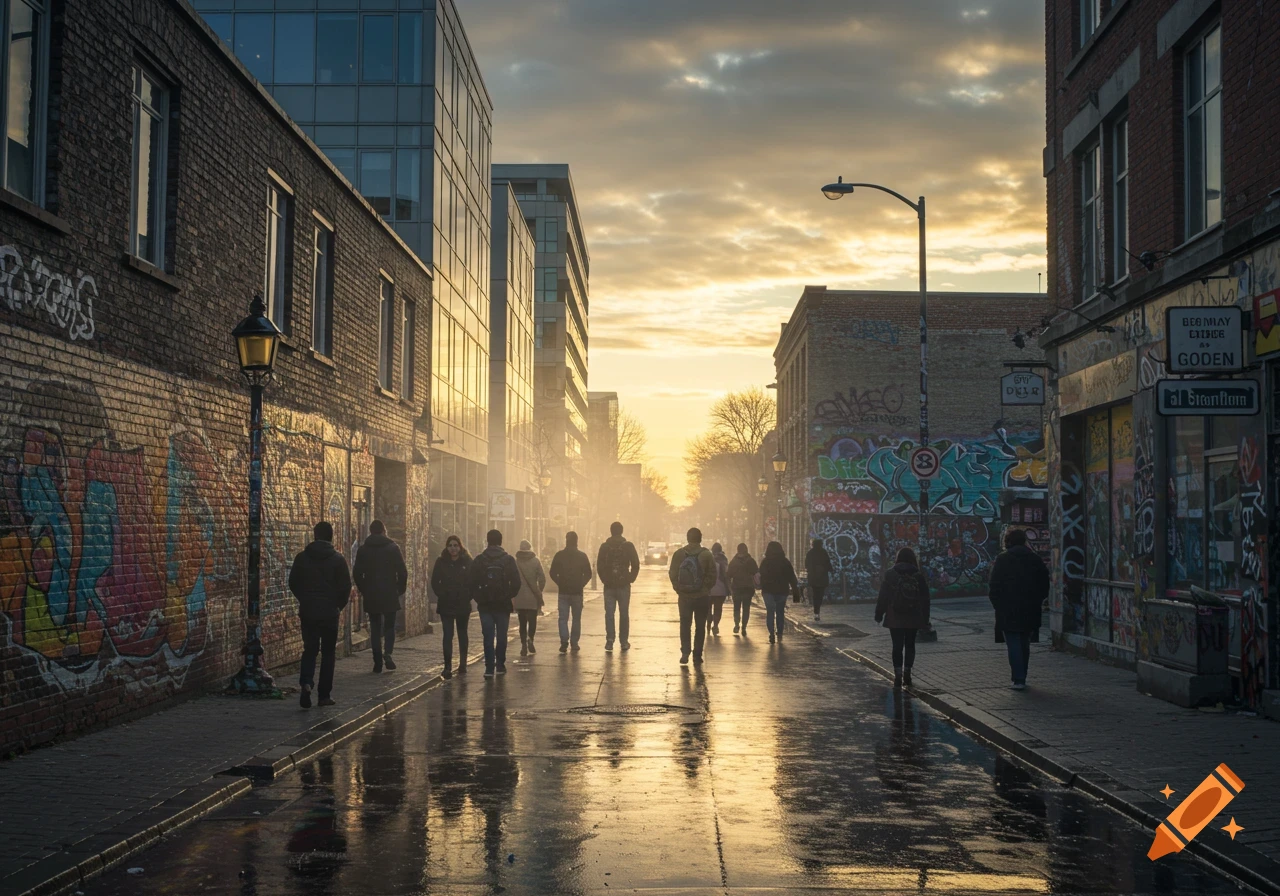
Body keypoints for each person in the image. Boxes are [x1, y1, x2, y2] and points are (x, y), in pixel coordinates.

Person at [289, 521, 351, 708]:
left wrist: (305, 599)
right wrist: (337, 606)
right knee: (328, 653)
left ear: (314, 536)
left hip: (308, 612)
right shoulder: (338, 560)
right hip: (329, 614)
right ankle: (324, 696)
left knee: (309, 649)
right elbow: (345, 588)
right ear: (331, 537)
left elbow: (293, 582)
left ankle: (306, 683)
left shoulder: (302, 558)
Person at [988, 528, 1050, 690]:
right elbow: (1044, 584)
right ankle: (1023, 675)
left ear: (1008, 541)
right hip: (1030, 608)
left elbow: (994, 586)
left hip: (1008, 609)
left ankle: (1018, 678)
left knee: (1013, 642)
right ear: (1024, 540)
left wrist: (999, 605)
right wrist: (1037, 601)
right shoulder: (1035, 559)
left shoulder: (1003, 559)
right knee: (1024, 642)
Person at [352, 519, 408, 674]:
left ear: (371, 531)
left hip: (372, 593)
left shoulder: (363, 549)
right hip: (390, 592)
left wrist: (364, 588)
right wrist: (399, 590)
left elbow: (357, 573)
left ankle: (377, 661)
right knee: (390, 626)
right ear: (384, 531)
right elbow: (402, 572)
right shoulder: (392, 548)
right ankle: (387, 653)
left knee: (375, 627)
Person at [874, 547, 931, 689]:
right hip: (914, 615)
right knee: (910, 645)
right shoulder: (918, 575)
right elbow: (925, 599)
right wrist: (925, 618)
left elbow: (883, 597)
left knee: (897, 646)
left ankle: (897, 675)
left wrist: (879, 614)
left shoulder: (890, 574)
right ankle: (908, 674)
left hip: (895, 616)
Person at [470, 529, 522, 678]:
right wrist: (508, 595)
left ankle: (488, 668)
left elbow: (471, 581)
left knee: (487, 636)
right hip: (503, 605)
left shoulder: (479, 559)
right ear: (501, 541)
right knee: (501, 636)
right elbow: (517, 583)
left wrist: (479, 597)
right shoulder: (508, 560)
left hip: (485, 605)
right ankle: (500, 664)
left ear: (487, 541)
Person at [668, 527, 716, 665]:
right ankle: (697, 654)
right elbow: (713, 575)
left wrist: (679, 589)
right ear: (700, 538)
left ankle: (685, 652)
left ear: (687, 538)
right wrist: (705, 588)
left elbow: (672, 573)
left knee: (685, 624)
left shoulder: (679, 554)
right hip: (702, 597)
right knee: (700, 626)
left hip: (684, 597)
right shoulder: (707, 555)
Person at [431, 535, 472, 680]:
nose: (453, 548)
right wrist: (442, 594)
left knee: (462, 634)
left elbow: (473, 581)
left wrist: (467, 596)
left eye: (455, 545)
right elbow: (435, 581)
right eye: (450, 545)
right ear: (446, 547)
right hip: (446, 604)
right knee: (448, 635)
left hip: (462, 604)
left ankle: (463, 664)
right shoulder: (441, 562)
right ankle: (447, 666)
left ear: (460, 547)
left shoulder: (467, 561)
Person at [596, 521, 641, 651]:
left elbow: (599, 565)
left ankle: (610, 640)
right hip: (623, 585)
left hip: (609, 585)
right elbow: (636, 564)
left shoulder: (604, 546)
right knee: (624, 613)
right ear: (621, 531)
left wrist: (605, 579)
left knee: (609, 613)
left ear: (611, 531)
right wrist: (630, 578)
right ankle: (624, 641)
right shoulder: (628, 546)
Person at [549, 531, 592, 653]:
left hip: (563, 592)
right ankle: (574, 642)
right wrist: (581, 584)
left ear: (566, 541)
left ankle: (564, 641)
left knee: (563, 618)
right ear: (577, 541)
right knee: (576, 618)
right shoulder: (582, 556)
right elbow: (588, 573)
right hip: (577, 592)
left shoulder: (559, 555)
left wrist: (560, 582)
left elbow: (552, 572)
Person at [758, 541, 801, 644]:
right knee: (780, 612)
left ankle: (771, 633)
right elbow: (792, 577)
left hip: (768, 591)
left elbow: (761, 576)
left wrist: (762, 585)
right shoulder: (785, 561)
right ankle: (780, 632)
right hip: (782, 590)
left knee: (770, 611)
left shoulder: (765, 562)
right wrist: (796, 591)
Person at [513, 539, 546, 655]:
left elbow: (512, 579)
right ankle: (530, 638)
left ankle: (523, 644)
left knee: (522, 622)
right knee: (532, 621)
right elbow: (542, 578)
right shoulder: (536, 561)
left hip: (519, 596)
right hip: (532, 596)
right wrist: (538, 590)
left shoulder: (516, 562)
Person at [727, 543, 758, 634]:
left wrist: (729, 587)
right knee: (746, 608)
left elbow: (729, 574)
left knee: (736, 607)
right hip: (748, 588)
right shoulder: (751, 560)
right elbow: (756, 572)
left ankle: (737, 624)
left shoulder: (734, 561)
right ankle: (744, 627)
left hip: (736, 587)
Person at [805, 539, 833, 622]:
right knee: (820, 595)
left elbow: (806, 565)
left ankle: (816, 612)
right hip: (822, 578)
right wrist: (830, 570)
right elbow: (828, 563)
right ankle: (817, 611)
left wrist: (811, 571)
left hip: (813, 578)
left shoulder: (810, 553)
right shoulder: (823, 552)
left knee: (815, 594)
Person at [706, 542, 730, 636]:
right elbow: (727, 575)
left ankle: (708, 622)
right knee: (718, 609)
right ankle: (715, 626)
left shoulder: (708, 560)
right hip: (721, 590)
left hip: (709, 589)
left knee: (708, 608)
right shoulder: (723, 560)